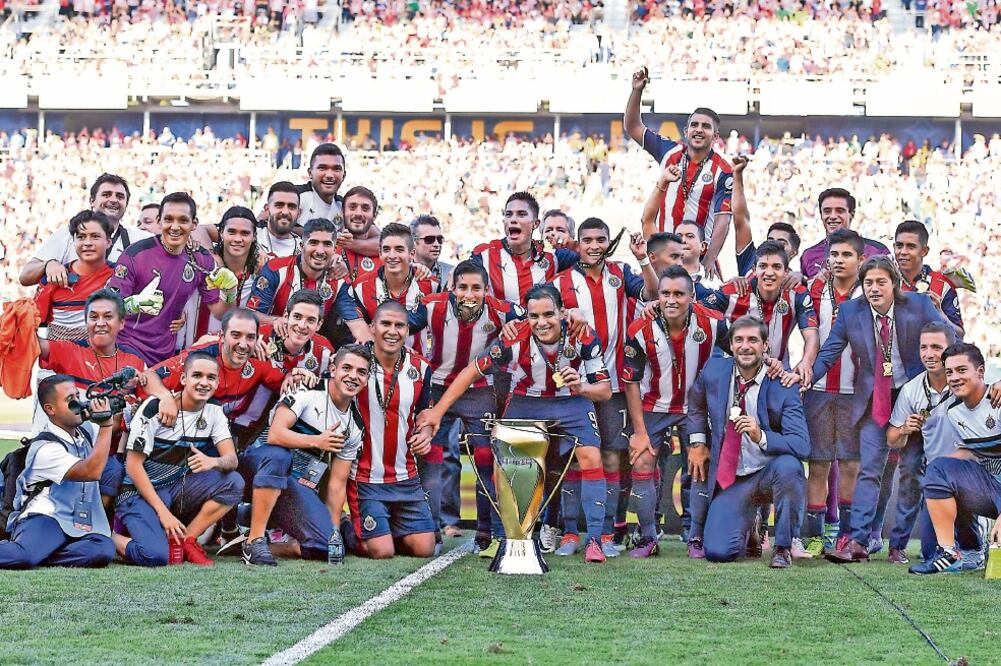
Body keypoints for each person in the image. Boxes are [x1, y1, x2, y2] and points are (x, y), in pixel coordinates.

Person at [418, 285, 613, 563]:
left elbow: (604, 391)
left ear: (562, 312)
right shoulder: (513, 336)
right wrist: (437, 412)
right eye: (534, 316)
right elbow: (470, 372)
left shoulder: (582, 333)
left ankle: (593, 540)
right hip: (527, 400)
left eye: (548, 314)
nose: (541, 322)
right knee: (506, 461)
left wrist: (581, 387)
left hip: (572, 400)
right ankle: (509, 538)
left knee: (591, 456)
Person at [809, 256, 949, 563]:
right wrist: (806, 375)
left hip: (915, 397)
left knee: (911, 471)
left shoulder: (919, 305)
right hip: (876, 400)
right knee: (869, 469)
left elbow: (951, 342)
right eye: (868, 283)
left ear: (894, 283)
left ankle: (897, 545)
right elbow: (829, 352)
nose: (874, 289)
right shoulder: (850, 311)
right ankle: (858, 541)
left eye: (881, 282)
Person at [552, 217, 658, 558]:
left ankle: (609, 533)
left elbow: (652, 294)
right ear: (577, 244)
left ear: (608, 242)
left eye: (601, 239)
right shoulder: (562, 280)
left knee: (612, 458)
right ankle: (570, 533)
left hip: (611, 386)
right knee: (572, 458)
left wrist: (643, 259)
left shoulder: (620, 273)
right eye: (588, 240)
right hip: (573, 384)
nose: (594, 245)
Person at [686, 316, 810, 568]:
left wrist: (761, 436)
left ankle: (782, 547)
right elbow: (696, 404)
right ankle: (750, 524)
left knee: (790, 467)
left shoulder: (783, 384)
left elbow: (802, 445)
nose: (745, 346)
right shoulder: (714, 371)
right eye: (739, 340)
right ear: (730, 345)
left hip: (768, 474)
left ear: (766, 346)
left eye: (753, 340)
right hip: (732, 479)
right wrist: (698, 442)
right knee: (719, 552)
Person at [622, 266, 729, 559]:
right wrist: (640, 432)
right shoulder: (640, 328)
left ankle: (696, 537)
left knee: (700, 465)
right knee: (642, 461)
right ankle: (647, 537)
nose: (671, 300)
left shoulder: (716, 325)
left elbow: (737, 360)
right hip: (653, 406)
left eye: (679, 294)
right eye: (665, 293)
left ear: (692, 296)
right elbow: (630, 381)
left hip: (696, 408)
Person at [419, 261, 521, 552]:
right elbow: (399, 325)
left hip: (479, 391)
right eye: (462, 287)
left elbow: (539, 318)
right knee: (431, 457)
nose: (469, 294)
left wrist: (520, 324)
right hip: (436, 388)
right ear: (451, 288)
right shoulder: (430, 307)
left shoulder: (503, 311)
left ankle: (486, 534)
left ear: (487, 290)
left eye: (476, 288)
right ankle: (431, 532)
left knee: (486, 461)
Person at [242, 344, 369, 565]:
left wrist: (335, 531)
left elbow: (337, 485)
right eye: (346, 368)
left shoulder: (355, 427)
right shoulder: (306, 390)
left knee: (326, 546)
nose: (353, 376)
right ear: (332, 368)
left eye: (361, 372)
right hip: (257, 469)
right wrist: (317, 441)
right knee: (279, 457)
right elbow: (275, 434)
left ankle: (253, 539)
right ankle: (254, 539)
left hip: (295, 487)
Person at [114, 352, 243, 566]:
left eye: (211, 378)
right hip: (136, 493)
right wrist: (163, 514)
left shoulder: (214, 412)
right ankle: (108, 537)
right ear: (183, 379)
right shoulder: (154, 408)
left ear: (218, 382)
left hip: (174, 488)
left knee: (233, 482)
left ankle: (187, 541)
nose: (204, 382)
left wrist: (215, 462)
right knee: (155, 556)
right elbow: (133, 466)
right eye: (197, 376)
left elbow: (232, 459)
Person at [33, 290, 146, 499]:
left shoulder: (135, 362)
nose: (100, 323)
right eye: (93, 317)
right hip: (68, 453)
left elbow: (149, 396)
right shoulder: (70, 351)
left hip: (109, 457)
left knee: (116, 474)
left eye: (108, 316)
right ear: (86, 323)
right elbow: (33, 345)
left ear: (121, 323)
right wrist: (24, 318)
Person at [141, 309, 310, 448]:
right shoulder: (201, 357)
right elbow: (149, 376)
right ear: (222, 336)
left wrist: (291, 375)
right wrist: (165, 398)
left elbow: (284, 379)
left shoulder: (257, 363)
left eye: (250, 337)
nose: (243, 344)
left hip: (211, 434)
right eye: (236, 335)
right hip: (170, 431)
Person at [346, 301, 437, 560]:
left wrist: (426, 435)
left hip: (405, 476)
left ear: (408, 330)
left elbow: (425, 415)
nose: (392, 331)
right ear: (372, 327)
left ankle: (386, 526)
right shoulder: (354, 361)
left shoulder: (420, 368)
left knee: (424, 549)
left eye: (399, 325)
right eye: (385, 323)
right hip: (365, 476)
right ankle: (344, 527)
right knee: (382, 551)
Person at [886, 322, 981, 567]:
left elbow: (989, 379)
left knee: (967, 542)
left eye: (937, 347)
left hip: (973, 471)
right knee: (931, 552)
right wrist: (905, 429)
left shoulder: (966, 379)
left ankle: (974, 546)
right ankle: (955, 546)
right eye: (924, 347)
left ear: (951, 349)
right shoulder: (911, 390)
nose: (929, 354)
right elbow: (891, 439)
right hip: (937, 477)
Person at [0, 375, 116, 569]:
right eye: (70, 400)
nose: (78, 402)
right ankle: (33, 550)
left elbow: (113, 423)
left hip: (76, 521)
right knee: (24, 557)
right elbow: (91, 471)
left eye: (78, 396)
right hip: (47, 517)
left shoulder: (84, 430)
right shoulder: (45, 448)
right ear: (50, 409)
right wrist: (106, 425)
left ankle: (45, 554)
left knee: (103, 550)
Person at [107, 192, 234, 365]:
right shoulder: (136, 254)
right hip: (126, 349)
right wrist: (134, 304)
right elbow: (109, 307)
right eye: (168, 219)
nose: (175, 227)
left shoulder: (201, 259)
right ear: (159, 222)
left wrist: (230, 292)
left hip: (164, 356)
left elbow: (220, 312)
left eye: (183, 220)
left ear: (194, 224)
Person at [626, 68, 732, 273]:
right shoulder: (669, 151)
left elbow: (723, 219)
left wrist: (710, 259)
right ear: (686, 131)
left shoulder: (723, 170)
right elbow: (633, 127)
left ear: (715, 136)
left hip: (698, 259)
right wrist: (637, 91)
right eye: (694, 125)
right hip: (665, 255)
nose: (699, 129)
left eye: (706, 126)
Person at [910, 342, 1001, 575]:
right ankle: (954, 552)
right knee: (939, 470)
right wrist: (936, 476)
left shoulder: (997, 399)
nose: (954, 377)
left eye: (962, 370)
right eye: (949, 372)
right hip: (992, 488)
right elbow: (970, 452)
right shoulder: (954, 411)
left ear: (980, 372)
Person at [801, 229, 865, 558]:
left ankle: (845, 536)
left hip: (856, 392)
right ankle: (816, 534)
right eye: (834, 255)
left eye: (846, 255)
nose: (839, 261)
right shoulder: (814, 288)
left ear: (861, 259)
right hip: (819, 390)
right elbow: (809, 334)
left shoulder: (870, 291)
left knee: (852, 465)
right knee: (820, 465)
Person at [701, 241, 819, 379]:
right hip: (732, 373)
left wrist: (806, 362)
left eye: (776, 267)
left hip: (774, 373)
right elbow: (699, 312)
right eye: (763, 266)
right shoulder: (735, 291)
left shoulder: (797, 294)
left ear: (786, 272)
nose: (769, 273)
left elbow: (812, 335)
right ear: (754, 269)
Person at [20, 173, 153, 287]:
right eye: (106, 194)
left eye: (120, 196)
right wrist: (48, 265)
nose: (113, 200)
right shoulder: (67, 234)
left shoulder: (139, 240)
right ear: (92, 201)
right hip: (71, 314)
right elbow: (25, 276)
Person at [335, 223, 437, 346]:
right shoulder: (361, 287)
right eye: (386, 249)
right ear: (380, 253)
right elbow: (355, 332)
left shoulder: (432, 285)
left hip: (415, 362)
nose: (392, 256)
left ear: (411, 254)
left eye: (399, 249)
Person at [470, 192, 578, 305]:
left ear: (535, 224)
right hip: (499, 322)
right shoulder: (485, 254)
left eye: (521, 214)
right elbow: (463, 281)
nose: (513, 219)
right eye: (508, 214)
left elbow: (593, 263)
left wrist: (572, 244)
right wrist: (456, 272)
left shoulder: (551, 255)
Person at [248, 218, 346, 326]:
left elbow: (355, 320)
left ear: (334, 249)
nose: (320, 251)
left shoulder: (339, 277)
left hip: (314, 340)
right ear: (302, 246)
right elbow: (252, 314)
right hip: (274, 337)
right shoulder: (276, 269)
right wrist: (277, 321)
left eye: (327, 244)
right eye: (313, 243)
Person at [35, 211, 115, 342]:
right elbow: (33, 325)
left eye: (95, 236)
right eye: (81, 237)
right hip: (59, 360)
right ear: (73, 241)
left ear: (108, 242)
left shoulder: (120, 276)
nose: (87, 243)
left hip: (106, 360)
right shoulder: (53, 277)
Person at [798, 188, 890, 279]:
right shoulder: (809, 255)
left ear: (851, 214)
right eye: (827, 211)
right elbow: (805, 289)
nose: (833, 216)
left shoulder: (877, 251)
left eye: (840, 211)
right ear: (821, 215)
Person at [893, 220, 963, 336]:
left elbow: (959, 335)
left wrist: (940, 315)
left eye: (911, 247)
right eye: (899, 246)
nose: (903, 252)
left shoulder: (942, 284)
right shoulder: (885, 281)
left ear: (924, 251)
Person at [338, 186, 382, 281]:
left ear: (374, 215)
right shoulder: (328, 248)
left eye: (365, 208)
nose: (358, 213)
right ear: (342, 212)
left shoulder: (387, 255)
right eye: (352, 207)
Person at [296, 143, 346, 224]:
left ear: (344, 175)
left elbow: (372, 232)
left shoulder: (343, 205)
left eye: (336, 169)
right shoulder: (295, 197)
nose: (329, 175)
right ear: (310, 173)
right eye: (322, 168)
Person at [411, 214, 453, 290]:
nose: (437, 244)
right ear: (413, 243)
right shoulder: (401, 272)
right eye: (429, 239)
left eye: (440, 239)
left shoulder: (453, 273)